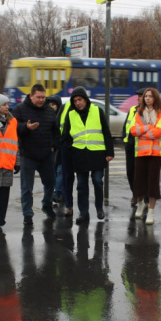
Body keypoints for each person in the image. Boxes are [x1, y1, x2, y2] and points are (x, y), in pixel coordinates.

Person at [61, 86, 115, 225]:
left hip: (97, 153)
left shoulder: (97, 111)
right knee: (81, 185)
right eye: (75, 101)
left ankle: (99, 207)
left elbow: (106, 133)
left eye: (80, 99)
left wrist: (110, 152)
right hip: (79, 155)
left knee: (97, 181)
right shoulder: (71, 114)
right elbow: (66, 136)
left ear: (85, 99)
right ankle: (83, 213)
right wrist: (66, 153)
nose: (78, 103)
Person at [12, 84, 60, 226]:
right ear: (31, 96)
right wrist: (25, 127)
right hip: (28, 154)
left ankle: (47, 204)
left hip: (46, 154)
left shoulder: (49, 111)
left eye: (43, 97)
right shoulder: (20, 110)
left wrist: (53, 146)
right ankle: (27, 214)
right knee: (27, 187)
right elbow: (13, 128)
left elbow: (56, 132)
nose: (41, 100)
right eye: (38, 97)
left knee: (51, 182)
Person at [130, 87, 161, 225]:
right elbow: (133, 131)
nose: (147, 98)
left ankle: (151, 211)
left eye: (150, 96)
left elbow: (158, 132)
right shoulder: (138, 114)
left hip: (156, 153)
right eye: (146, 96)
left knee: (153, 182)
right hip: (140, 153)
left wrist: (143, 132)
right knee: (139, 181)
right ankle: (141, 205)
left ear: (155, 98)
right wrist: (148, 127)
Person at [0, 94, 20, 234]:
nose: (7, 107)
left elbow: (15, 143)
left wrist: (17, 162)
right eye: (3, 104)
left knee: (4, 195)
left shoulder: (13, 122)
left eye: (7, 104)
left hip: (7, 163)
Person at [122, 89, 145, 207]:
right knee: (130, 173)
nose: (138, 98)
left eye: (141, 96)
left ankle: (140, 195)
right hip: (130, 147)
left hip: (141, 147)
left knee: (140, 174)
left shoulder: (149, 111)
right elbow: (126, 124)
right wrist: (124, 140)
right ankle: (135, 193)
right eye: (138, 96)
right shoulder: (133, 109)